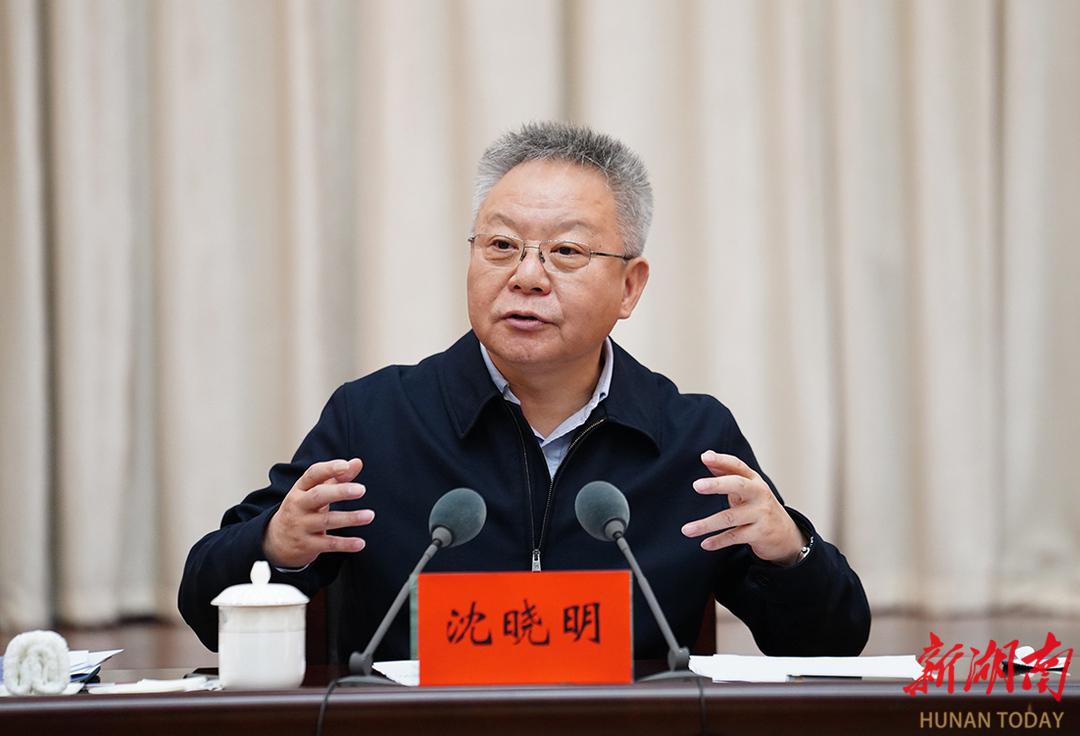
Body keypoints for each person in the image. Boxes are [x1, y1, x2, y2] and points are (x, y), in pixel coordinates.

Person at [179, 122, 870, 662]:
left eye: (565, 252)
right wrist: (277, 545)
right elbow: (204, 607)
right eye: (501, 246)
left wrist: (791, 551)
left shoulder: (688, 439)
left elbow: (831, 643)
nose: (527, 276)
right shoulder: (376, 420)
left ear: (630, 287)